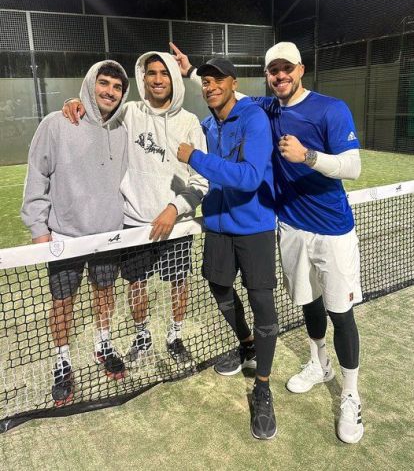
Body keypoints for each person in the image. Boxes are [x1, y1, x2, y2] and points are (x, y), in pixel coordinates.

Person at [172, 41, 364, 444]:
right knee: (309, 303)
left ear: (301, 69)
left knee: (340, 312)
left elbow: (353, 166)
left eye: (286, 69)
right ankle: (318, 363)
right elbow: (227, 91)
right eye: (273, 71)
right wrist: (192, 73)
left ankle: (351, 395)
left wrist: (309, 156)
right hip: (291, 226)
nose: (280, 76)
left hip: (332, 230)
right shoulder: (268, 106)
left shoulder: (331, 109)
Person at [62, 52, 208, 365]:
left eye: (164, 73)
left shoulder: (190, 123)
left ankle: (175, 336)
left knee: (179, 284)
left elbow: (202, 180)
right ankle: (142, 336)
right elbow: (96, 117)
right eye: (151, 73)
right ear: (143, 78)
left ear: (174, 78)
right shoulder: (128, 112)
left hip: (177, 224)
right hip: (134, 225)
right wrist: (77, 102)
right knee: (136, 285)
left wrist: (174, 209)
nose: (158, 79)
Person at [176, 57, 279, 440]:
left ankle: (264, 386)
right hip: (218, 227)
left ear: (234, 83)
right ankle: (247, 344)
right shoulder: (205, 124)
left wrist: (197, 159)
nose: (210, 86)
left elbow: (251, 177)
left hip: (254, 228)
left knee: (262, 304)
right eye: (205, 81)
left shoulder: (254, 120)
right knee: (218, 286)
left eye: (218, 80)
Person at [21, 61, 130, 406]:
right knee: (62, 302)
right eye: (104, 83)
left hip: (109, 236)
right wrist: (40, 232)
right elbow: (37, 177)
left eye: (117, 87)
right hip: (64, 238)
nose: (109, 91)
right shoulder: (56, 123)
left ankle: (102, 343)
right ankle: (63, 360)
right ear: (90, 84)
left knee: (104, 293)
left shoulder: (123, 129)